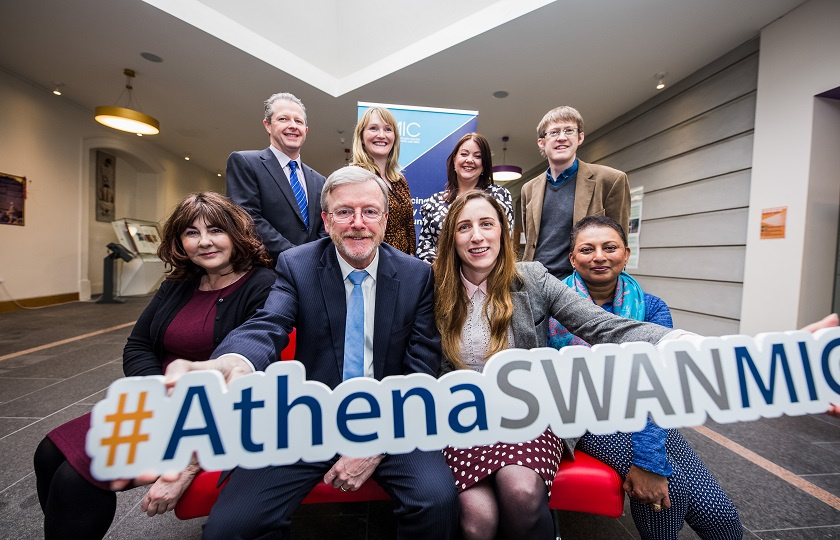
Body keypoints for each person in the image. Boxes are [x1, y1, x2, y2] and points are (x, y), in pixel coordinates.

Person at [168, 166, 459, 539]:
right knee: (232, 527)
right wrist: (235, 360)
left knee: (437, 503)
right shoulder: (298, 264)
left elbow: (420, 371)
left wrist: (378, 443)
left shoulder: (416, 275)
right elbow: (268, 322)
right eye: (343, 212)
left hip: (391, 417)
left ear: (385, 219)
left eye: (370, 211)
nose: (358, 223)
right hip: (311, 418)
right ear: (325, 220)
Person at [433, 190, 677, 539]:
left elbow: (601, 325)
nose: (477, 236)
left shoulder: (532, 278)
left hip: (526, 415)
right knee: (476, 520)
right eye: (464, 227)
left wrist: (673, 340)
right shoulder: (435, 288)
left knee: (520, 490)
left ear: (502, 231)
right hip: (462, 419)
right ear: (450, 238)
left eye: (486, 224)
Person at [32, 192, 275, 539]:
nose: (204, 241)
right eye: (191, 232)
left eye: (216, 230)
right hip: (156, 401)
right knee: (48, 453)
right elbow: (139, 345)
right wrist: (161, 392)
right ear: (180, 241)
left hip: (211, 418)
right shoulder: (178, 284)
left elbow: (251, 373)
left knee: (76, 478)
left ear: (236, 234)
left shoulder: (261, 286)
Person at [547, 215, 743, 539]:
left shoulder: (651, 307)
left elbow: (660, 382)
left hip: (643, 409)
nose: (599, 256)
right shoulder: (550, 306)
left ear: (625, 253)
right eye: (587, 249)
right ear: (572, 258)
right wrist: (648, 466)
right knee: (672, 488)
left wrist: (649, 458)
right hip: (583, 414)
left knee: (721, 518)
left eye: (609, 247)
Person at [521, 105, 630, 279]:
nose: (562, 138)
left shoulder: (610, 180)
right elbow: (531, 241)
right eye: (554, 132)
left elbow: (619, 242)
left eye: (569, 131)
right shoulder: (529, 189)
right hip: (536, 282)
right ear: (541, 142)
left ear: (580, 137)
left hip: (584, 284)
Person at [226, 92, 326, 262]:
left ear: (306, 130)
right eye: (283, 119)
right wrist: (294, 257)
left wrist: (314, 259)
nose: (293, 126)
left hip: (312, 271)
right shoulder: (245, 162)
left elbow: (325, 226)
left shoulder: (320, 180)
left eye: (298, 121)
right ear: (268, 125)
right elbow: (247, 218)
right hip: (266, 271)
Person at [417, 132, 513, 263]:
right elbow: (425, 248)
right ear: (454, 160)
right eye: (464, 154)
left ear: (484, 165)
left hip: (487, 277)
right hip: (442, 278)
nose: (469, 160)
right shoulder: (434, 202)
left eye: (477, 156)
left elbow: (505, 241)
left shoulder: (499, 196)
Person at [351, 106, 416, 255]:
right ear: (361, 137)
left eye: (388, 129)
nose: (381, 135)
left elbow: (409, 227)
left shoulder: (399, 180)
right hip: (370, 263)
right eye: (373, 128)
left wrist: (411, 259)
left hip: (403, 265)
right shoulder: (355, 177)